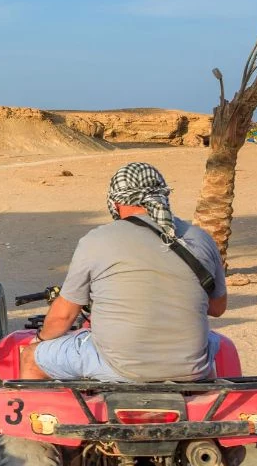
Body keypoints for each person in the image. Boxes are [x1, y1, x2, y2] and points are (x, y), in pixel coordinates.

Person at [23, 162, 229, 383]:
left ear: (116, 201)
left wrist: (40, 338)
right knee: (211, 348)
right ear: (163, 195)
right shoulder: (200, 238)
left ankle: (41, 417)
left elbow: (64, 316)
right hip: (190, 368)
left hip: (120, 368)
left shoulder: (97, 240)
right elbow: (217, 308)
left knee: (31, 358)